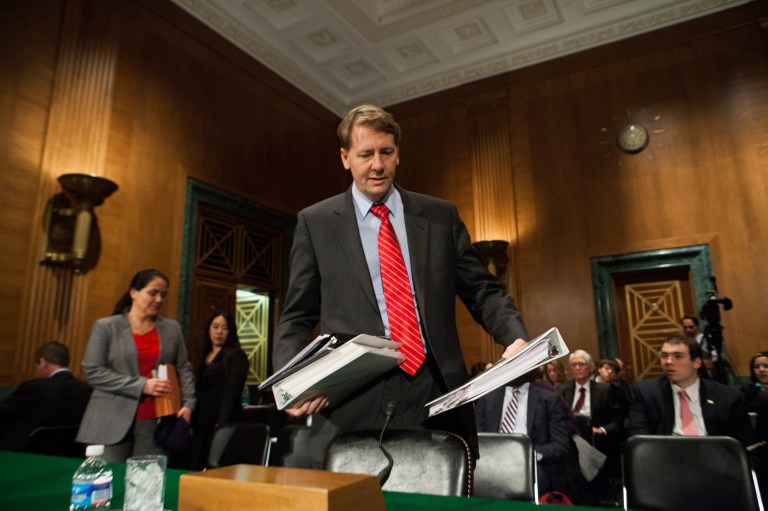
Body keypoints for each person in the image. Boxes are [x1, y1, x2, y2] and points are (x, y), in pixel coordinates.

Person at [272, 104, 528, 467]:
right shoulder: (316, 223)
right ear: (345, 158)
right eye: (366, 154)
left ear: (397, 154)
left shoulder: (440, 216)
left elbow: (483, 290)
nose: (377, 165)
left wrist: (514, 337)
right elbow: (297, 316)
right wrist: (294, 379)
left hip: (437, 396)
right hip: (352, 402)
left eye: (386, 152)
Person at [76, 269, 196, 462]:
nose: (159, 299)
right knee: (108, 477)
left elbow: (184, 367)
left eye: (163, 295)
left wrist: (189, 403)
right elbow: (93, 372)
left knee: (148, 478)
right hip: (109, 418)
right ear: (133, 292)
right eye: (153, 293)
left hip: (157, 420)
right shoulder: (106, 327)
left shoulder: (172, 328)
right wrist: (142, 385)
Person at [627, 333, 753, 445]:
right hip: (665, 458)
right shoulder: (646, 392)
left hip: (714, 458)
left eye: (678, 356)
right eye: (664, 356)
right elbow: (638, 437)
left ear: (696, 363)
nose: (668, 362)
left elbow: (745, 445)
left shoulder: (728, 397)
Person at [475, 369, 573, 497]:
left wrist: (529, 454)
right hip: (492, 462)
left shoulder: (548, 399)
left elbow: (561, 445)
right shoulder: (487, 398)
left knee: (533, 478)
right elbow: (477, 440)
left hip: (530, 464)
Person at [0, 341, 92, 451]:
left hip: (27, 452)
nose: (36, 372)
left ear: (42, 362)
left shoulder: (33, 387)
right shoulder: (86, 389)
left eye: (36, 367)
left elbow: (3, 411)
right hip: (71, 451)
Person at [559, 349, 622, 506]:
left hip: (596, 440)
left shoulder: (605, 390)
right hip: (569, 439)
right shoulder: (562, 389)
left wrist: (601, 430)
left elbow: (617, 422)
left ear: (590, 367)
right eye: (574, 365)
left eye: (581, 364)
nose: (577, 368)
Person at [188, 310, 249, 470]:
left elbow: (232, 394)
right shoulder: (205, 353)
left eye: (225, 327)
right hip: (202, 421)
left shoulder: (236, 355)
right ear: (209, 329)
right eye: (215, 327)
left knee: (217, 465)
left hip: (222, 420)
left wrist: (222, 424)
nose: (219, 331)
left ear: (231, 331)